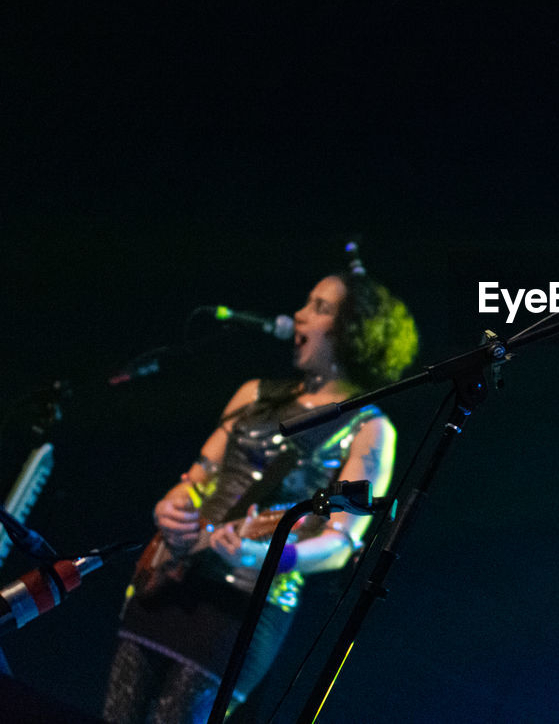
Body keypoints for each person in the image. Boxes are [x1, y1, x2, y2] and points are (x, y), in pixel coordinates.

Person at [102, 269, 418, 723]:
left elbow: (340, 542)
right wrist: (169, 504)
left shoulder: (370, 431)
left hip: (245, 611)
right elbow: (198, 476)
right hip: (172, 575)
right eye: (307, 302)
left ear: (354, 333)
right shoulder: (253, 393)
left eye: (320, 308)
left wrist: (266, 558)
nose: (298, 315)